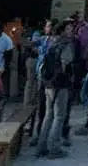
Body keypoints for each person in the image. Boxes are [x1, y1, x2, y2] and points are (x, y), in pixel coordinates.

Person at [35, 22, 75, 159]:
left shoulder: (52, 43)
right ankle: (54, 148)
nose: (71, 31)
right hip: (60, 85)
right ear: (63, 31)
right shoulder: (66, 45)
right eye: (69, 29)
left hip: (48, 84)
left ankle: (41, 146)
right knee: (59, 116)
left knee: (49, 115)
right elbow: (65, 64)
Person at [29, 19, 57, 147]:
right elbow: (31, 44)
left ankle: (47, 137)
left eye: (47, 27)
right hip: (41, 76)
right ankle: (39, 134)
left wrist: (39, 49)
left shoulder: (54, 42)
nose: (45, 28)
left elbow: (46, 52)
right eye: (45, 26)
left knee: (49, 109)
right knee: (41, 107)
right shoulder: (43, 39)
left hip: (50, 79)